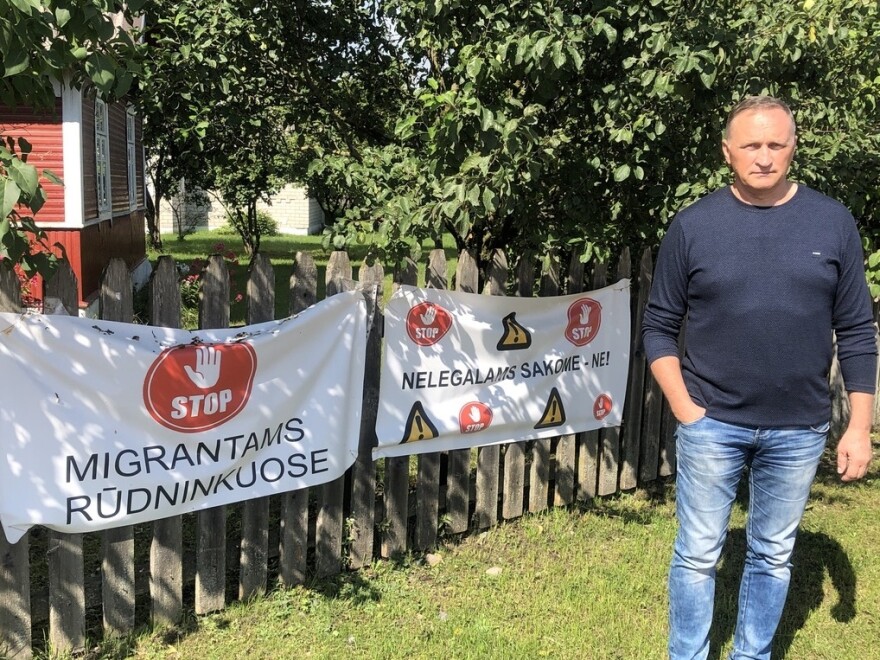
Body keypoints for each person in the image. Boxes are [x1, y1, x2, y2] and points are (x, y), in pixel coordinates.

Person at [641, 94, 877, 660]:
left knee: (772, 553)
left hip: (799, 427)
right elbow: (658, 326)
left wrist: (859, 426)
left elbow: (858, 331)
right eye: (751, 145)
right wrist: (684, 407)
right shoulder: (694, 226)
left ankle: (751, 655)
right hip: (711, 422)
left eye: (776, 144)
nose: (764, 156)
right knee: (698, 553)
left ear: (793, 148)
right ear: (728, 152)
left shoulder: (832, 221)